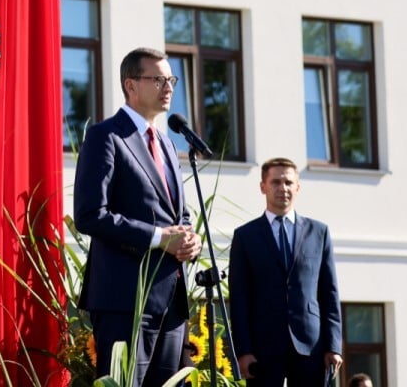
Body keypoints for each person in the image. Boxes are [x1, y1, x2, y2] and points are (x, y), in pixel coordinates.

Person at [74, 47, 202, 386]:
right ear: (131, 85)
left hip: (170, 302)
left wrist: (190, 239)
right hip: (124, 300)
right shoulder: (106, 137)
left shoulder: (168, 144)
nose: (169, 87)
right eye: (158, 79)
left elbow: (180, 215)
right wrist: (161, 238)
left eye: (171, 79)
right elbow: (90, 214)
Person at [229, 157, 343, 386]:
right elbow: (239, 298)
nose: (283, 188)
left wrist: (333, 346)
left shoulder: (318, 232)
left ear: (298, 187)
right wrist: (243, 351)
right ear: (263, 187)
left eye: (289, 183)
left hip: (311, 346)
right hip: (262, 349)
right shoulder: (245, 236)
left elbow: (329, 294)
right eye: (276, 182)